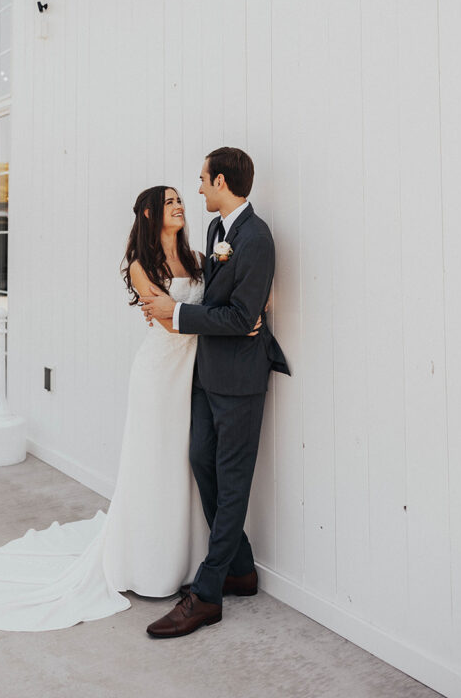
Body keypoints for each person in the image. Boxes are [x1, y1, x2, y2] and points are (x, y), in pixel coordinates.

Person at [0, 185, 218, 631]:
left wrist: (196, 314)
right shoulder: (139, 266)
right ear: (150, 213)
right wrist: (199, 318)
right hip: (157, 374)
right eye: (169, 201)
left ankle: (186, 561)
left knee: (184, 464)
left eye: (180, 200)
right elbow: (168, 323)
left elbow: (184, 311)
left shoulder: (197, 259)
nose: (180, 206)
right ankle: (148, 566)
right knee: (153, 464)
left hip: (191, 373)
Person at [139, 147, 290, 639]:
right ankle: (241, 570)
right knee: (202, 459)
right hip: (207, 373)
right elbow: (223, 303)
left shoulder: (258, 238)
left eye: (203, 180)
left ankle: (206, 594)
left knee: (233, 481)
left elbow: (242, 318)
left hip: (242, 381)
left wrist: (176, 315)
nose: (198, 188)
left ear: (222, 181)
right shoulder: (215, 231)